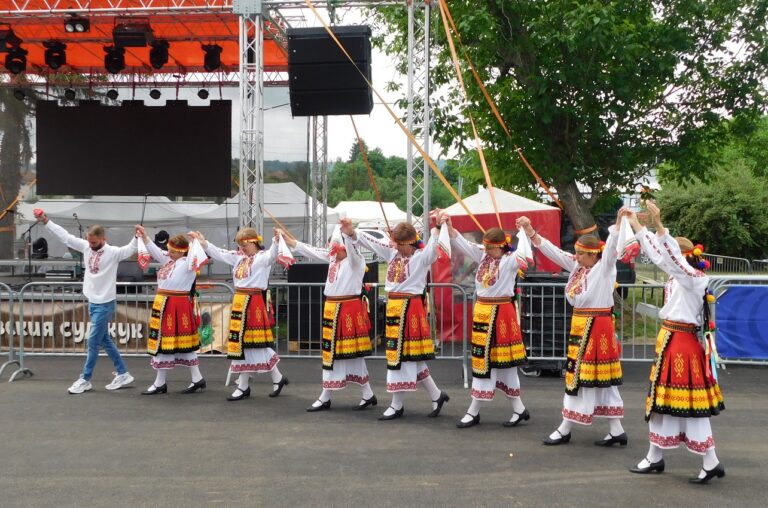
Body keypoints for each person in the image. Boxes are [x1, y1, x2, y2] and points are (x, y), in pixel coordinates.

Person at [624, 202, 725, 483]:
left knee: (689, 406)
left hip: (682, 345)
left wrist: (658, 226)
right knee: (662, 401)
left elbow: (667, 258)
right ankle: (656, 456)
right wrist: (637, 225)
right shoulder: (679, 278)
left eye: (675, 258)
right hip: (670, 341)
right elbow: (661, 255)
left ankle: (710, 459)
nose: (668, 262)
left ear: (684, 258)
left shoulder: (693, 278)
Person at [517, 212, 626, 446]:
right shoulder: (579, 267)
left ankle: (565, 427)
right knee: (595, 378)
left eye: (579, 254)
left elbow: (610, 250)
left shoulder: (604, 268)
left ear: (593, 254)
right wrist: (531, 233)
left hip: (596, 328)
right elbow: (555, 253)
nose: (575, 257)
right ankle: (616, 429)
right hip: (583, 325)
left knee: (580, 377)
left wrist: (617, 227)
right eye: (575, 253)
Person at [341, 218, 449, 421]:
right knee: (409, 358)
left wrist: (438, 227)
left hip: (410, 308)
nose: (396, 247)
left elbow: (436, 246)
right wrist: (352, 232)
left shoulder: (422, 257)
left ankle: (396, 404)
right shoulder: (392, 253)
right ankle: (437, 395)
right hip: (395, 309)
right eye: (395, 243)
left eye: (399, 244)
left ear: (409, 242)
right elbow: (370, 242)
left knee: (400, 358)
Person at [35, 210, 139, 394]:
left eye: (94, 242)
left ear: (103, 238)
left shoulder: (113, 252)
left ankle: (85, 378)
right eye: (89, 241)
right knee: (104, 340)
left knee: (92, 342)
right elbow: (65, 237)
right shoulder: (85, 247)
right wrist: (46, 221)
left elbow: (130, 250)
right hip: (93, 301)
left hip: (105, 303)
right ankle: (123, 373)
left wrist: (137, 236)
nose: (91, 245)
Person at [281, 220, 377, 412]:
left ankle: (350, 394)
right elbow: (311, 250)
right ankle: (362, 394)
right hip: (332, 310)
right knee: (332, 353)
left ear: (343, 246)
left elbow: (352, 250)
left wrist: (348, 234)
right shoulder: (333, 259)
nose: (331, 251)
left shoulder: (356, 261)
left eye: (334, 247)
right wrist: (289, 242)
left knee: (350, 354)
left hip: (348, 309)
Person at [444, 216, 529, 428]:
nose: (487, 251)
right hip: (483, 313)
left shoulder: (510, 260)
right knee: (485, 361)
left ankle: (475, 411)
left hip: (501, 314)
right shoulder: (484, 257)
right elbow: (462, 242)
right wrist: (449, 225)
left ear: (502, 246)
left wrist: (524, 231)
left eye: (491, 248)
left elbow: (525, 256)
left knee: (499, 363)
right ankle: (518, 409)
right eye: (486, 247)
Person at [189, 228, 289, 400]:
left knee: (253, 344)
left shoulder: (262, 258)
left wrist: (276, 240)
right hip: (240, 303)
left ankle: (245, 385)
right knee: (248, 345)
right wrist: (202, 241)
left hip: (254, 304)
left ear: (253, 242)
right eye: (239, 245)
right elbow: (218, 252)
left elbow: (273, 254)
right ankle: (275, 378)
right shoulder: (238, 258)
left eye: (244, 244)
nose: (242, 248)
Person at [138, 231, 207, 395]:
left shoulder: (188, 263)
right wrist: (145, 237)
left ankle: (161, 382)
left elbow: (198, 255)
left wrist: (194, 242)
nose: (168, 253)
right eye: (168, 250)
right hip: (164, 304)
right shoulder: (169, 260)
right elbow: (155, 251)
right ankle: (196, 379)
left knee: (172, 344)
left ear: (181, 251)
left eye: (172, 250)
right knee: (170, 343)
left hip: (176, 305)